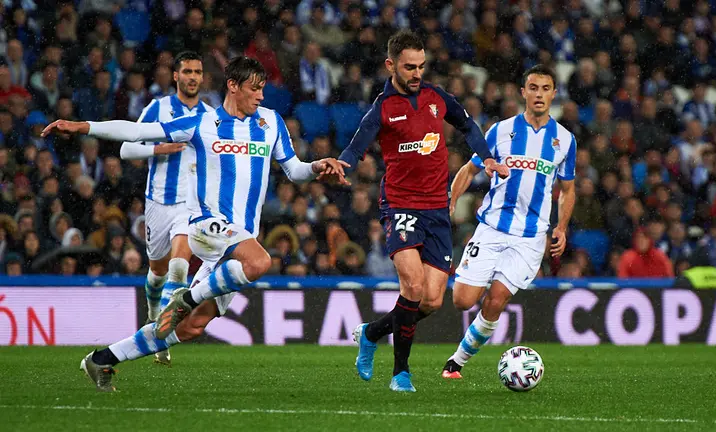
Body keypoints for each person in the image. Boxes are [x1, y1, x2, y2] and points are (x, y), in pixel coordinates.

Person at [41, 57, 348, 392]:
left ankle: (103, 359)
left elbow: (294, 169)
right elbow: (138, 131)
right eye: (254, 89)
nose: (261, 96)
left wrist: (317, 166)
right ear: (233, 85)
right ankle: (186, 298)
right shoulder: (202, 123)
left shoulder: (271, 122)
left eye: (262, 89)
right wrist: (83, 126)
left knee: (188, 329)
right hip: (207, 225)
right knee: (260, 262)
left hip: (241, 238)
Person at [339, 30, 508, 392]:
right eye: (409, 67)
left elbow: (467, 124)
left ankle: (371, 333)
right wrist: (341, 165)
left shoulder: (435, 97)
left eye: (421, 66)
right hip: (400, 204)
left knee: (431, 300)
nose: (417, 73)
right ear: (391, 66)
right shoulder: (383, 108)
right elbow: (357, 147)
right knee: (412, 285)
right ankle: (401, 372)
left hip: (436, 208)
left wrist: (489, 158)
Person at [441, 65, 576, 379]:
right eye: (533, 88)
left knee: (497, 299)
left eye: (545, 88)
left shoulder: (565, 140)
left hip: (530, 237)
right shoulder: (500, 131)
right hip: (492, 228)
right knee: (462, 301)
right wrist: (451, 201)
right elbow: (469, 169)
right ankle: (479, 280)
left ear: (554, 94)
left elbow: (567, 191)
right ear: (523, 92)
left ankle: (456, 362)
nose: (539, 94)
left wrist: (561, 227)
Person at [118, 51, 214, 366]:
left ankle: (160, 335)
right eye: (187, 71)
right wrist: (160, 147)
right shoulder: (157, 109)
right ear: (175, 76)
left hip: (190, 205)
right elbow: (127, 147)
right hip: (158, 202)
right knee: (157, 272)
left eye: (197, 71)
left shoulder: (212, 116)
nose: (192, 77)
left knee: (179, 266)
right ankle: (154, 314)